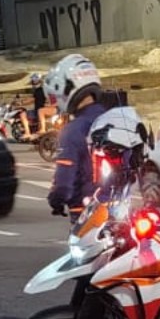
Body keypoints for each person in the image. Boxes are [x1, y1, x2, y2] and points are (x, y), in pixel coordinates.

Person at [46, 54, 109, 222]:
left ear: (65, 89)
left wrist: (56, 200)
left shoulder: (73, 130)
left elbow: (63, 183)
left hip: (87, 215)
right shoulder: (113, 120)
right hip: (118, 211)